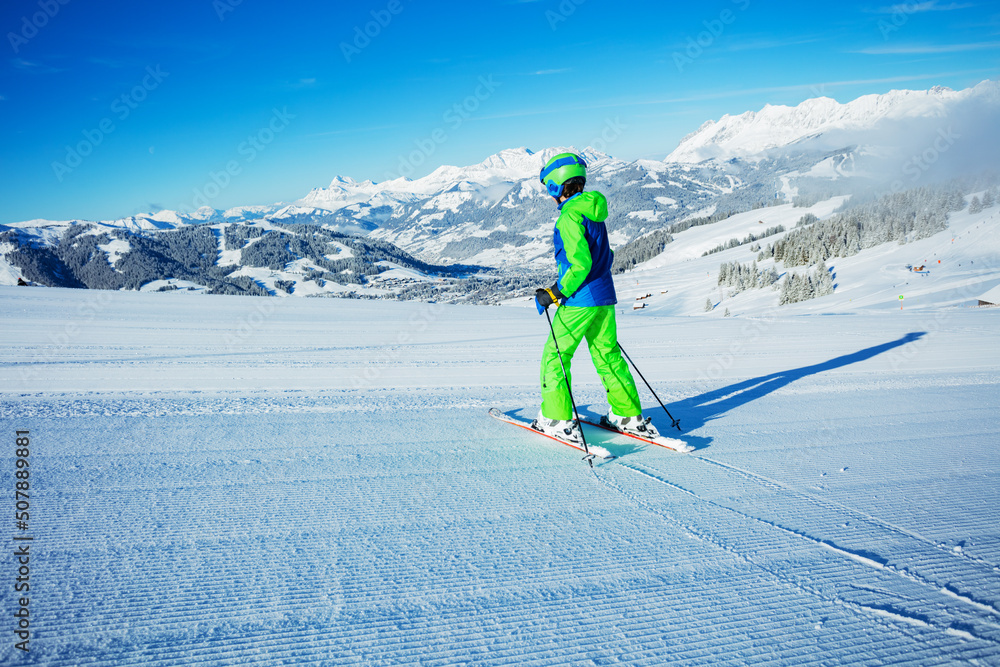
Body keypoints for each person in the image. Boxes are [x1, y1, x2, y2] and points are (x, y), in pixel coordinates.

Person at [532, 152, 659, 444]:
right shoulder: (593, 212)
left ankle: (557, 419)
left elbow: (579, 265)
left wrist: (553, 293)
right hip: (605, 297)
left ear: (555, 186)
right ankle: (628, 415)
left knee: (555, 356)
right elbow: (606, 256)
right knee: (607, 355)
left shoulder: (569, 217)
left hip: (580, 300)